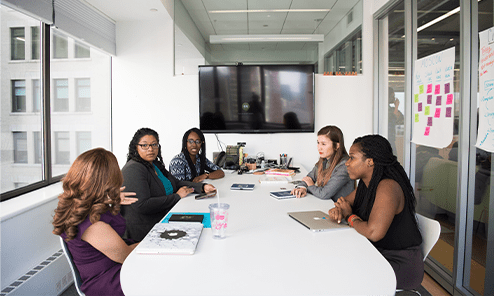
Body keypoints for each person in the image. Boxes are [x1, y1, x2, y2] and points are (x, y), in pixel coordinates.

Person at [328, 134, 423, 290]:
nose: (347, 163)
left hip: (398, 264)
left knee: (340, 274)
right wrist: (338, 210)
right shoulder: (366, 184)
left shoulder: (388, 187)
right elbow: (343, 203)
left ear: (370, 161)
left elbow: (373, 232)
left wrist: (349, 216)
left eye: (352, 158)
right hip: (376, 252)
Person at [52, 148, 139, 296]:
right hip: (109, 280)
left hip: (109, 266)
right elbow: (125, 256)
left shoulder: (77, 205)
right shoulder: (93, 226)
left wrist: (110, 199)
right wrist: (153, 241)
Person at [121, 127, 216, 242]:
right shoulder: (134, 168)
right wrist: (176, 196)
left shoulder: (154, 164)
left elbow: (175, 183)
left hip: (163, 218)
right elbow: (142, 205)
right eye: (144, 145)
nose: (150, 149)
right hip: (144, 231)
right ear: (136, 147)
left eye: (154, 144)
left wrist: (202, 187)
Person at [291, 125, 354, 201]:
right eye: (318, 143)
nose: (319, 147)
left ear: (337, 146)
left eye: (323, 144)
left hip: (339, 209)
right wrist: (302, 188)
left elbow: (324, 194)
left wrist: (310, 185)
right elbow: (309, 178)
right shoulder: (324, 160)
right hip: (327, 205)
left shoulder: (344, 165)